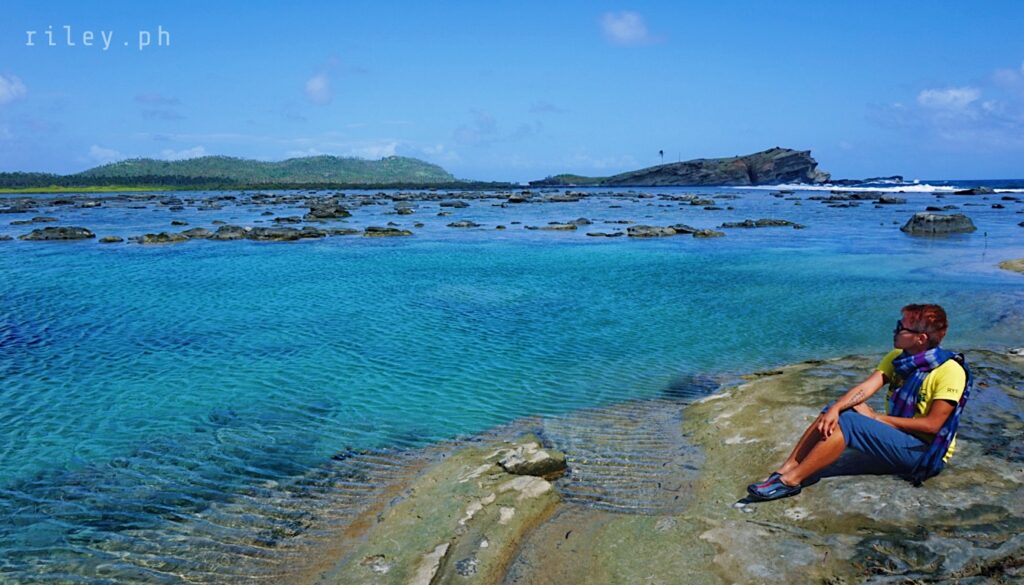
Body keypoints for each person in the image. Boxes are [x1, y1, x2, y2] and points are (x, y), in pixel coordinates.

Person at [747, 303, 972, 501]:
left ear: (920, 338)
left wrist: (875, 418)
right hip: (898, 438)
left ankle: (791, 482)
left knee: (851, 423)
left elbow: (933, 426)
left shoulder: (949, 371)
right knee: (837, 411)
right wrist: (836, 407)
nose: (895, 330)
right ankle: (787, 469)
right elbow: (866, 388)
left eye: (901, 328)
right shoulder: (898, 358)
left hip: (924, 453)